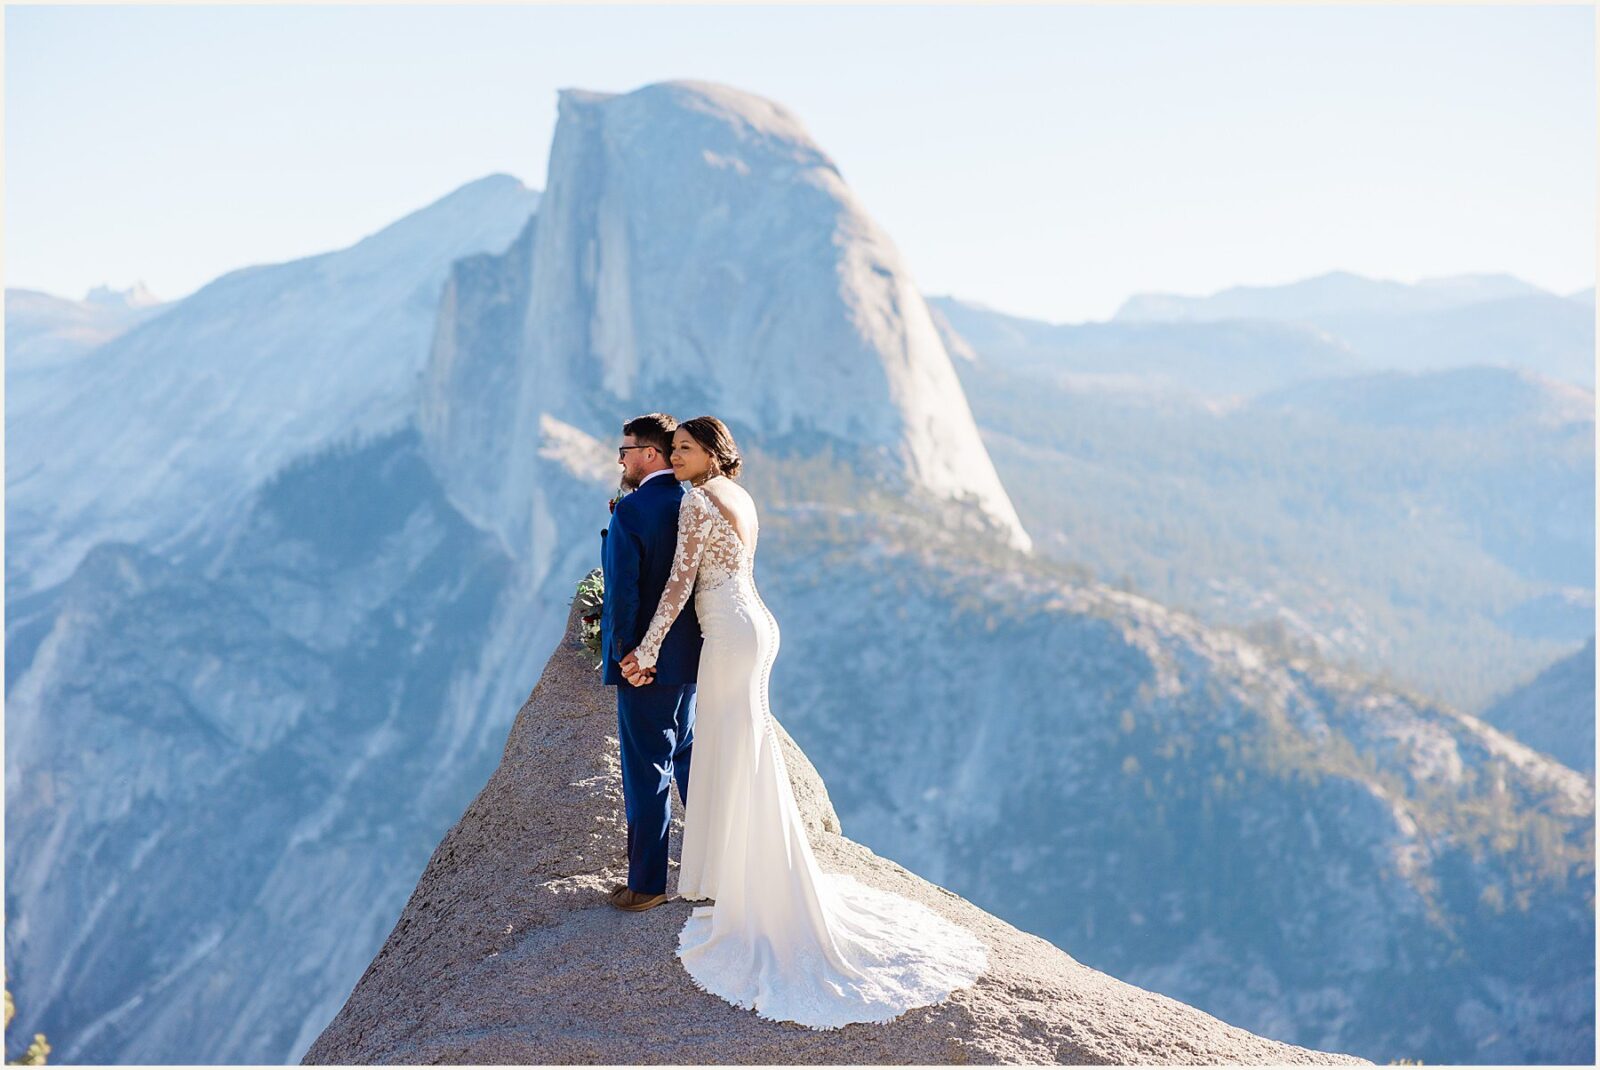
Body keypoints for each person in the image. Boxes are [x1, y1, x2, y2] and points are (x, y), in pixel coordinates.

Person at [618, 416, 987, 1029]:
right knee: (748, 747)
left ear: (712, 455)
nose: (674, 458)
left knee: (731, 749)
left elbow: (680, 585)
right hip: (756, 625)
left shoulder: (697, 502)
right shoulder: (739, 496)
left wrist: (649, 649)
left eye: (685, 449)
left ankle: (742, 879)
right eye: (673, 449)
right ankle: (739, 868)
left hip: (729, 636)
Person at [600, 413, 703, 911]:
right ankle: (710, 869)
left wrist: (625, 654)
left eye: (624, 450)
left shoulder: (634, 510)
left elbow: (623, 593)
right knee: (689, 762)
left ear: (648, 454)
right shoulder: (693, 502)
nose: (619, 459)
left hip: (645, 663)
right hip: (692, 662)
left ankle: (646, 885)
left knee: (646, 772)